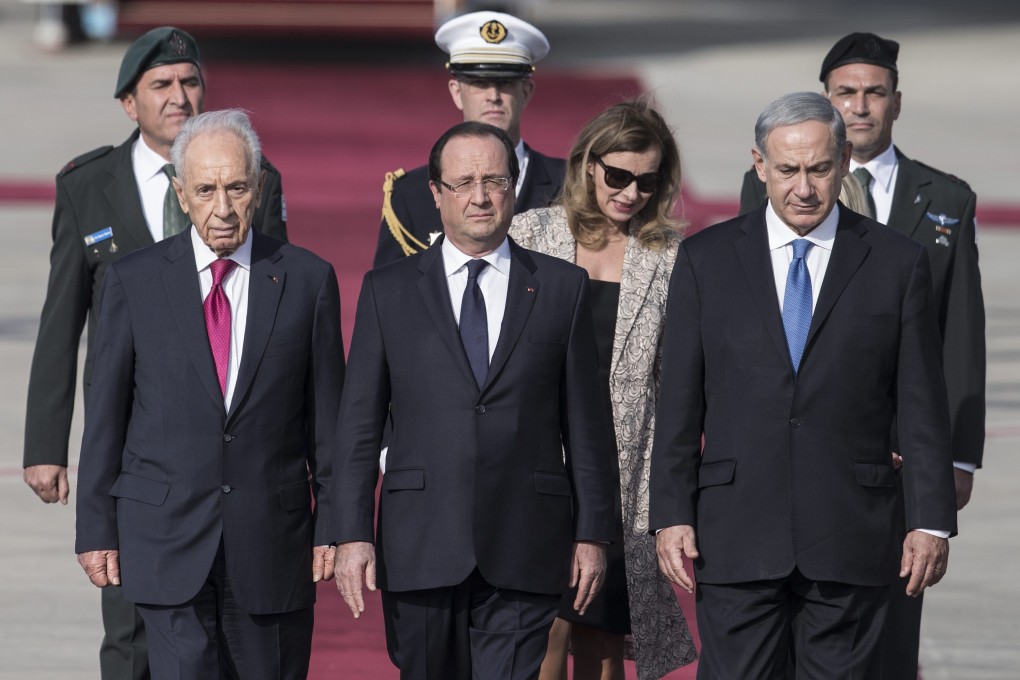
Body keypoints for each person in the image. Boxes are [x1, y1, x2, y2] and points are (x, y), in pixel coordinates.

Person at [650, 91, 958, 678]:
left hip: (852, 533)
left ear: (843, 163)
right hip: (735, 535)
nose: (804, 188)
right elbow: (680, 404)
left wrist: (929, 520)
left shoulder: (896, 263)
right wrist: (670, 513)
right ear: (758, 166)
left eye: (819, 169)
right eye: (787, 169)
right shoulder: (705, 261)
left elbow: (921, 404)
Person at [21, 26, 288, 680]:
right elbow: (63, 316)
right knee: (132, 629)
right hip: (135, 441)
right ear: (128, 103)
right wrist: (46, 444)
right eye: (161, 86)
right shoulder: (92, 185)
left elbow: (276, 307)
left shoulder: (257, 181)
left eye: (190, 82)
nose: (179, 96)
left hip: (226, 439)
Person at [737, 33, 985, 678]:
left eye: (875, 93)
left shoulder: (944, 198)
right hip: (810, 444)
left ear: (896, 103)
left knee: (891, 619)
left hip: (907, 447)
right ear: (826, 99)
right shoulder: (770, 185)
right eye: (846, 93)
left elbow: (957, 333)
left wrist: (956, 455)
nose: (861, 106)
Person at [333, 121, 615, 680]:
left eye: (494, 180)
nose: (480, 197)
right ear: (435, 194)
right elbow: (359, 425)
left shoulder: (562, 287)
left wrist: (592, 534)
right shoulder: (387, 290)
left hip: (526, 539)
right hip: (419, 542)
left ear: (513, 187)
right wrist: (351, 533)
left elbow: (586, 423)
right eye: (463, 183)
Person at [74, 109, 343, 679]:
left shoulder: (307, 281)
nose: (222, 208)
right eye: (205, 189)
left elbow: (328, 426)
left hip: (272, 544)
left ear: (260, 187)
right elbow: (106, 418)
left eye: (237, 188)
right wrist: (96, 527)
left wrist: (337, 524)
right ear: (180, 192)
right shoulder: (134, 282)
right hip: (166, 539)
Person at [510, 100, 695, 680]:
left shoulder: (668, 258)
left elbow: (680, 381)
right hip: (536, 466)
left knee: (603, 643)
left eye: (647, 181)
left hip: (622, 477)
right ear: (589, 164)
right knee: (542, 633)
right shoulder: (529, 234)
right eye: (618, 175)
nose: (630, 193)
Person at [373, 10, 565, 266]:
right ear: (456, 92)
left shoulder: (570, 183)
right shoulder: (411, 193)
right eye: (479, 82)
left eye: (506, 83)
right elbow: (390, 294)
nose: (493, 95)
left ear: (527, 91)